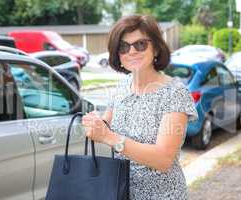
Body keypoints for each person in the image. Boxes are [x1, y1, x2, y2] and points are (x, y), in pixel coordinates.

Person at [82, 14, 198, 199]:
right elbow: (106, 123)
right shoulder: (122, 86)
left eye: (140, 44)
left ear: (156, 48)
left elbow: (163, 159)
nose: (132, 51)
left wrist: (110, 137)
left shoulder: (174, 93)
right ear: (117, 55)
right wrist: (95, 124)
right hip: (120, 192)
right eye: (123, 47)